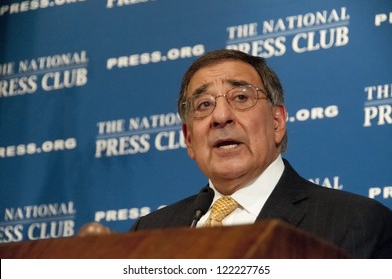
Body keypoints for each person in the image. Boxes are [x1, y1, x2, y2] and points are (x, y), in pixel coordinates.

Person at [130, 49, 392, 258]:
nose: (221, 116)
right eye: (204, 104)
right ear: (189, 138)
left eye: (241, 98)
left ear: (277, 123)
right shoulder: (149, 232)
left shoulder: (356, 223)